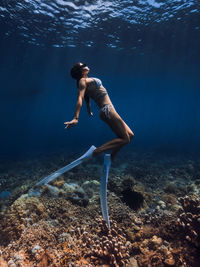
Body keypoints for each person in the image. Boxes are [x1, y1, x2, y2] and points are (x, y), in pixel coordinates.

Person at [64, 62, 134, 160]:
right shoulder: (82, 81)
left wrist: (89, 110)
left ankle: (112, 155)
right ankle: (96, 152)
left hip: (108, 110)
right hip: (107, 110)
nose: (87, 66)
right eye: (84, 65)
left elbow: (87, 98)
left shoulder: (84, 81)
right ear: (81, 71)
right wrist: (76, 118)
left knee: (130, 135)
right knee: (125, 139)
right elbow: (80, 98)